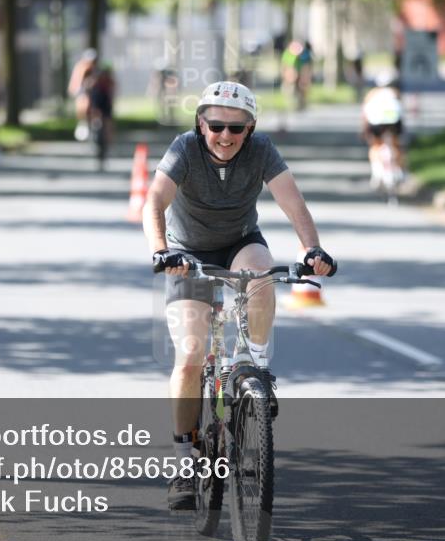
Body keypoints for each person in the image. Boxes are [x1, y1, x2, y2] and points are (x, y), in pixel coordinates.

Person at [142, 81, 337, 509]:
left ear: (250, 129)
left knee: (262, 273)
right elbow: (153, 201)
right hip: (187, 253)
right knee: (191, 354)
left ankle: (257, 369)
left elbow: (292, 202)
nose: (225, 136)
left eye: (236, 128)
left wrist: (312, 249)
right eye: (216, 126)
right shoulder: (184, 148)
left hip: (240, 241)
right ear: (201, 124)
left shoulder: (262, 150)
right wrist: (162, 250)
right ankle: (184, 464)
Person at [361, 72, 406, 184]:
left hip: (376, 124)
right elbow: (401, 113)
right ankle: (401, 169)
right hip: (394, 124)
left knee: (375, 145)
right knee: (396, 145)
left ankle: (376, 170)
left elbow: (365, 114)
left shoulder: (371, 94)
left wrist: (364, 130)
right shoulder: (396, 93)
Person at [68, 48, 99, 141]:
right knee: (83, 105)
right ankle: (83, 124)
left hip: (92, 91)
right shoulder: (80, 67)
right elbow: (76, 82)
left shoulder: (94, 68)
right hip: (81, 91)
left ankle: (94, 123)